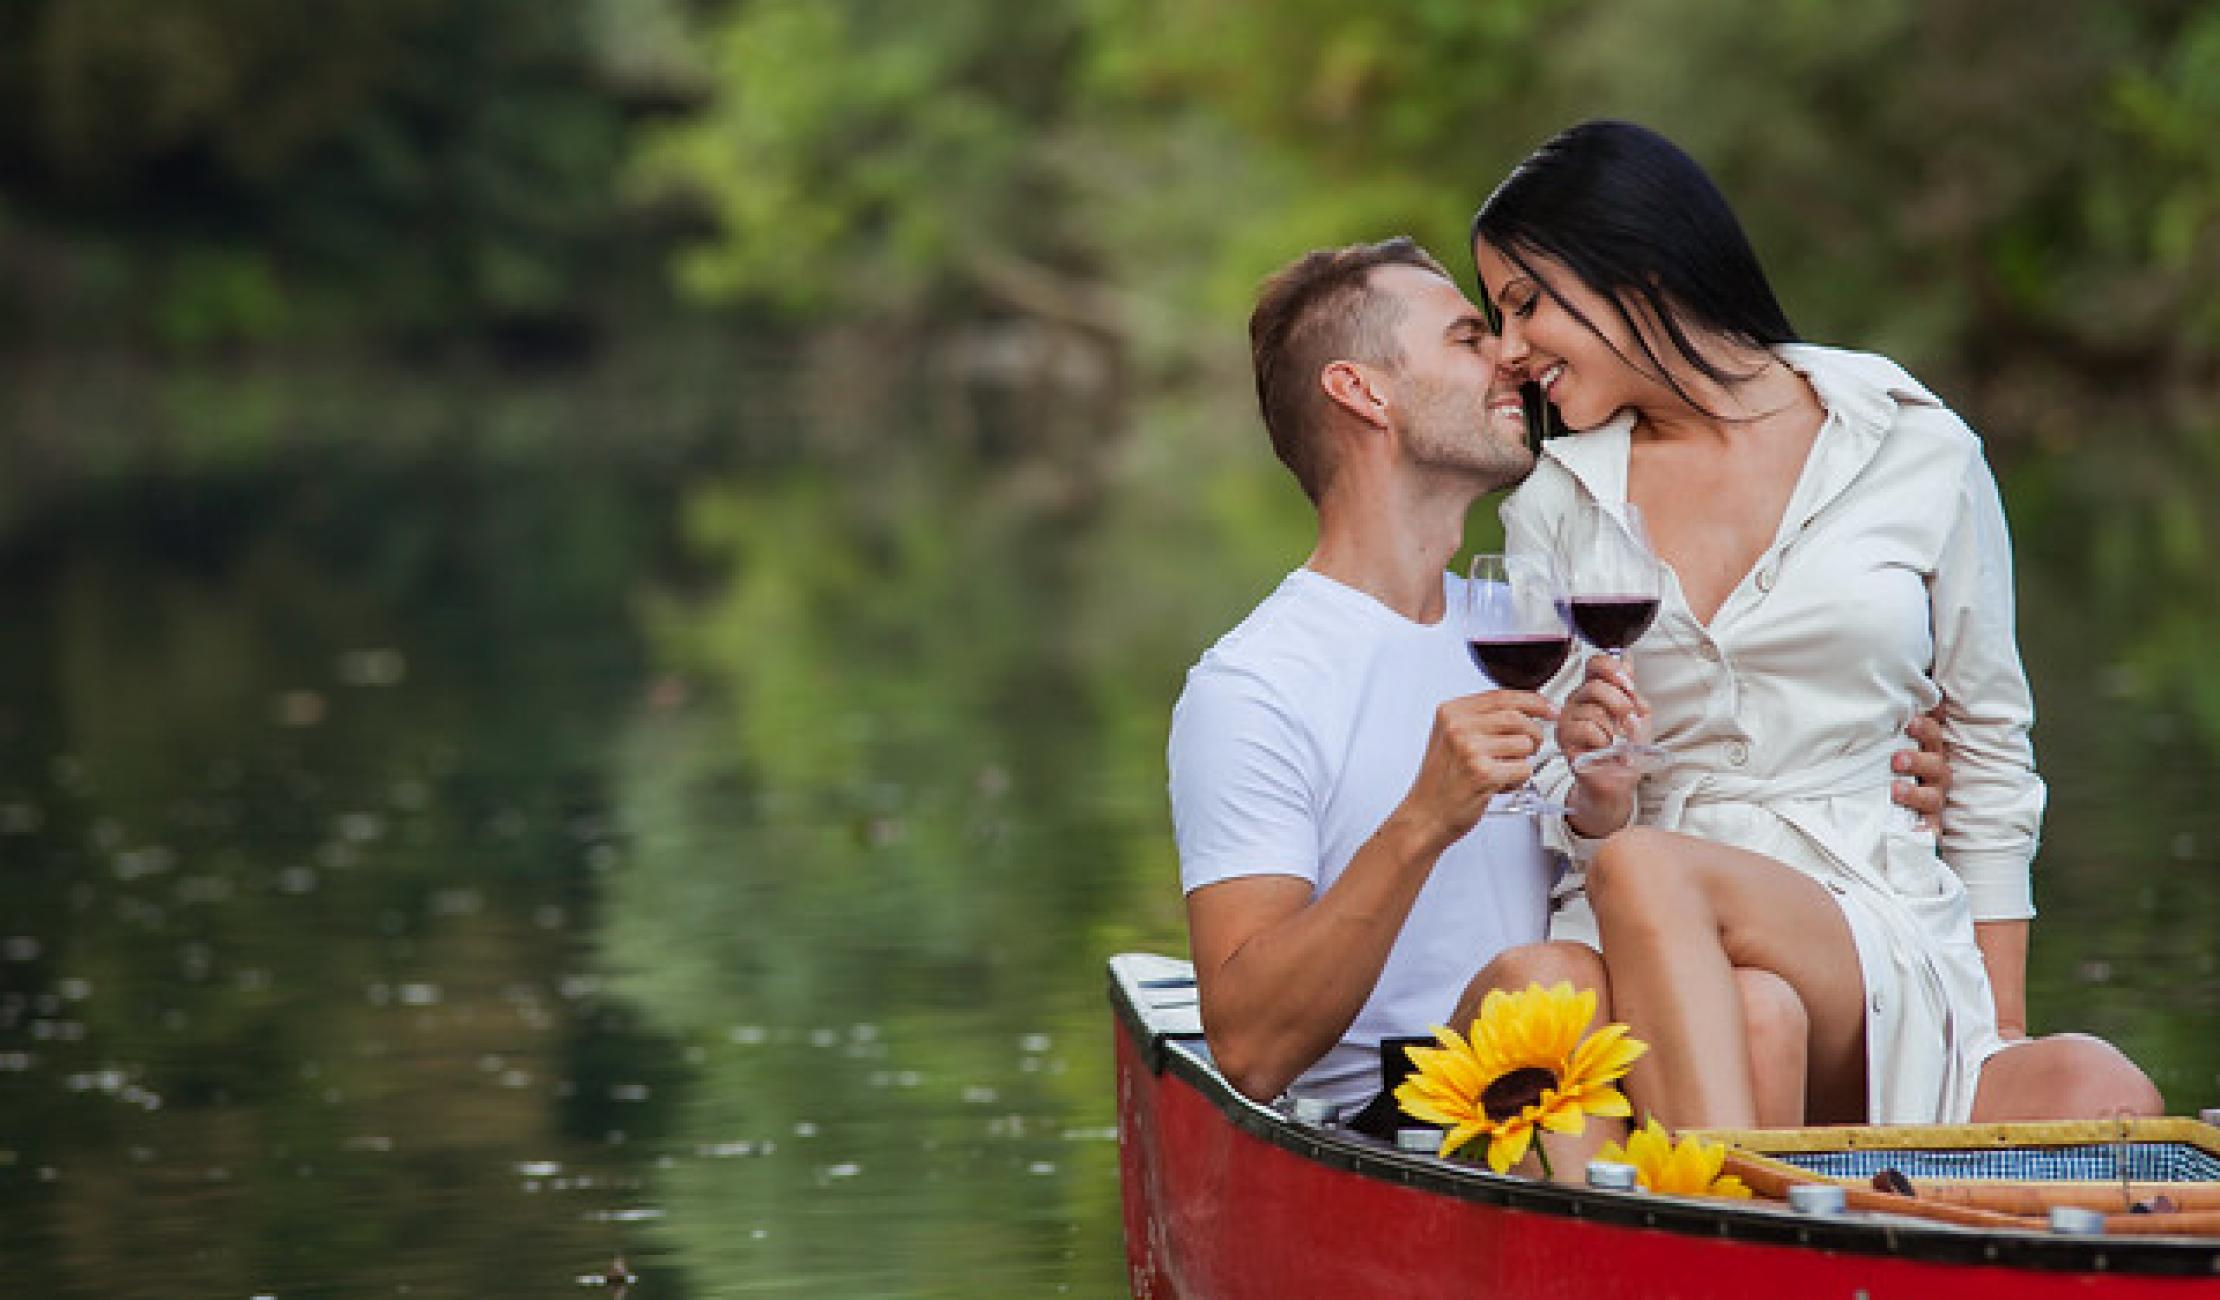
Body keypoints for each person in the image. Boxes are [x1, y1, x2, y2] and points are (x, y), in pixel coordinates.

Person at [1168, 236, 1952, 1131]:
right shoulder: (1256, 685)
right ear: (1362, 391)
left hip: (1627, 1056)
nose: (1510, 356)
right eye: (1468, 338)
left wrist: (1896, 762)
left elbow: (1730, 749)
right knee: (1552, 983)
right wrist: (1427, 817)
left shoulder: (1533, 622)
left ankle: (1735, 1249)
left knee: (1761, 1008)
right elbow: (1250, 1050)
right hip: (1421, 1110)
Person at [1475, 119, 2162, 1127]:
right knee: (1711, 971)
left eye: (1527, 303)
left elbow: (1987, 750)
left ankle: (1706, 1220)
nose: (1507, 347)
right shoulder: (1553, 504)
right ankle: (1739, 1234)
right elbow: (1549, 790)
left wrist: (1998, 1038)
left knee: (2094, 1086)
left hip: (1861, 916)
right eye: (1495, 317)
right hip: (1641, 932)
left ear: (1640, 267)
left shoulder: (1910, 445)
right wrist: (1596, 795)